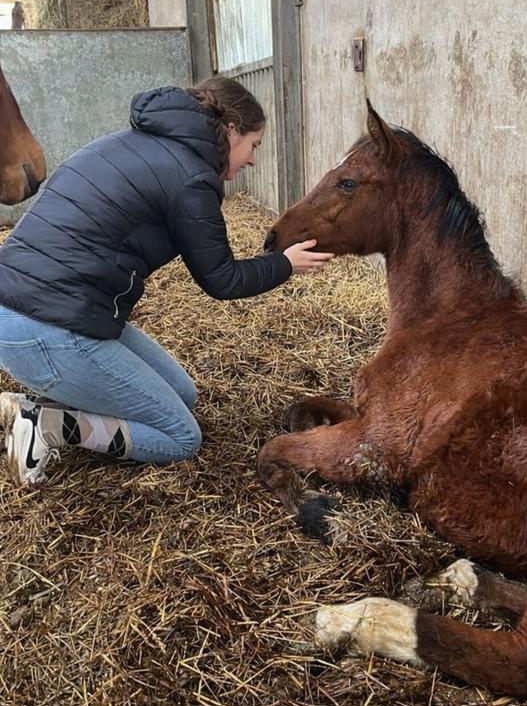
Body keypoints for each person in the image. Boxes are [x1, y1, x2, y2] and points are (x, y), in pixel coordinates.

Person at [0, 75, 333, 486]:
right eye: (253, 145)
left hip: (44, 310)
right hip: (51, 329)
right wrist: (285, 264)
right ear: (230, 130)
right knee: (179, 437)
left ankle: (32, 403)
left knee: (183, 395)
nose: (251, 160)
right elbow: (221, 279)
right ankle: (48, 424)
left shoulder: (136, 143)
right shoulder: (192, 177)